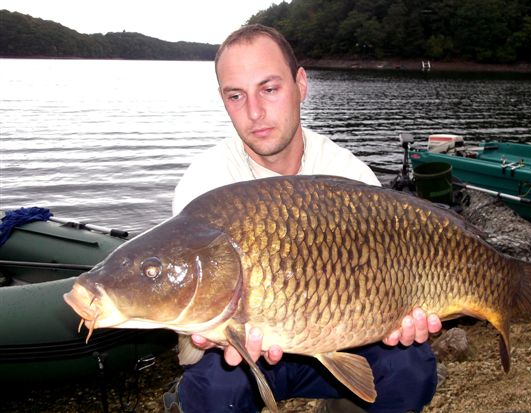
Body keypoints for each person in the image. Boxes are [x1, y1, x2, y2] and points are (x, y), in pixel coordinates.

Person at [165, 24, 442, 413]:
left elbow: (394, 270)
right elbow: (181, 298)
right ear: (223, 100)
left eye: (270, 88)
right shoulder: (205, 185)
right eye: (236, 95)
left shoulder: (349, 174)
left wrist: (402, 315)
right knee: (213, 393)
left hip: (340, 336)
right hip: (245, 354)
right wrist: (200, 335)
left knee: (411, 368)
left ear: (301, 85)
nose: (255, 112)